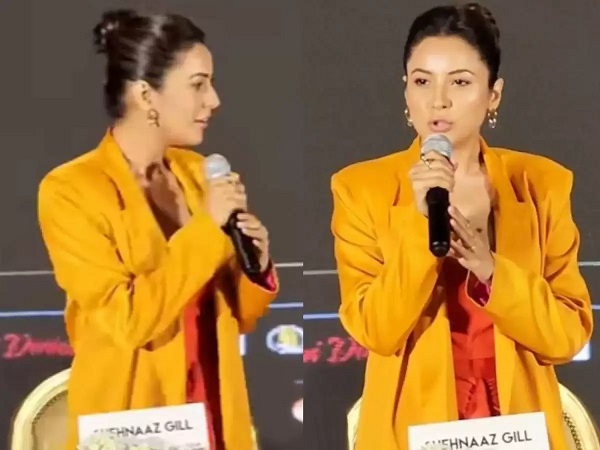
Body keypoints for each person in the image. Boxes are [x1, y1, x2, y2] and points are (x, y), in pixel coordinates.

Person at [330, 3, 592, 449]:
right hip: (412, 430)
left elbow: (566, 336)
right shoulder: (361, 189)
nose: (439, 101)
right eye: (422, 81)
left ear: (494, 94)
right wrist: (420, 227)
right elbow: (376, 329)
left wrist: (492, 272)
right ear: (405, 91)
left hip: (518, 427)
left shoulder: (542, 184)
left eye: (460, 81)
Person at [37, 9, 278, 450]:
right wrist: (207, 229)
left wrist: (255, 266)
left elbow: (237, 316)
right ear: (146, 94)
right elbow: (129, 320)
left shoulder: (198, 174)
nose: (214, 100)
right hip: (133, 421)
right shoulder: (70, 190)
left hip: (213, 408)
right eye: (198, 84)